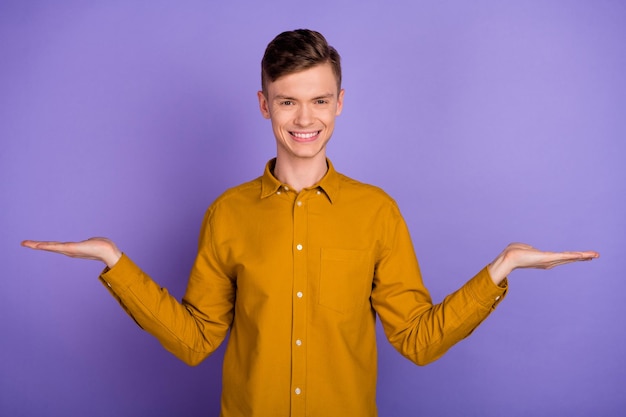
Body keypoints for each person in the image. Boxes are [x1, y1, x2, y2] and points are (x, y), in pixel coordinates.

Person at [21, 29, 599, 417]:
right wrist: (113, 263)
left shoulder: (376, 211)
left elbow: (418, 342)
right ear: (264, 104)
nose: (304, 119)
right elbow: (196, 340)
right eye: (288, 101)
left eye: (319, 101)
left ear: (340, 102)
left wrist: (502, 269)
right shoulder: (228, 213)